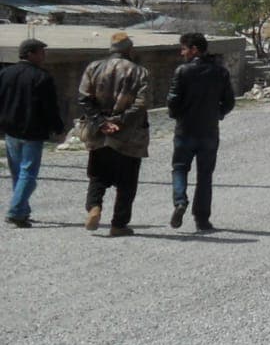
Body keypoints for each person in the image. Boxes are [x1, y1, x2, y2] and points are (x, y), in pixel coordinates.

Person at [78, 32, 151, 237]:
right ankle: (119, 224)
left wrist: (102, 123)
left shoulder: (93, 68)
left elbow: (84, 99)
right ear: (129, 50)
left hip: (99, 133)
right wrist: (119, 121)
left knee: (98, 175)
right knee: (127, 182)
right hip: (129, 135)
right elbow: (141, 103)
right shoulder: (140, 72)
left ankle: (94, 207)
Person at [167, 32, 235, 233]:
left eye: (184, 49)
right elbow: (229, 102)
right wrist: (217, 114)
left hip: (185, 130)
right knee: (205, 175)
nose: (182, 53)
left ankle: (180, 201)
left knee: (179, 168)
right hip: (209, 132)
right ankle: (202, 219)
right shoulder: (220, 72)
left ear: (194, 49)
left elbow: (172, 101)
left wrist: (177, 115)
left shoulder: (182, 71)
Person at [0, 38, 66, 228]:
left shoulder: (5, 73)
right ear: (30, 54)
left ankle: (22, 210)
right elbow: (50, 107)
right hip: (32, 131)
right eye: (41, 52)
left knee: (18, 173)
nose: (44, 56)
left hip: (10, 130)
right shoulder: (41, 77)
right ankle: (15, 210)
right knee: (28, 173)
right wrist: (59, 129)